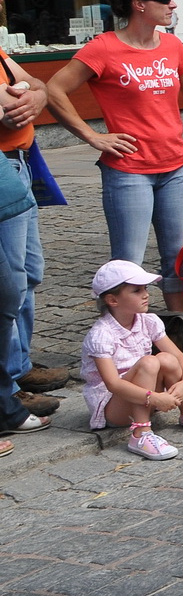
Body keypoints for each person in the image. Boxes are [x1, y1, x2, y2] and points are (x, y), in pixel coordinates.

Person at [45, 0, 183, 313]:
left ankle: (180, 333)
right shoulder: (104, 48)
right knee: (127, 265)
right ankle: (118, 345)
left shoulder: (173, 46)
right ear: (139, 4)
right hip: (128, 171)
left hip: (175, 168)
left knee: (178, 260)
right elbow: (55, 90)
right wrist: (92, 136)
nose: (173, 4)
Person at [82, 259, 183, 461]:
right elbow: (113, 384)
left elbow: (179, 357)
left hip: (148, 396)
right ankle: (140, 434)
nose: (146, 294)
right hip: (114, 406)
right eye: (136, 290)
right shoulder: (101, 335)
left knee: (166, 359)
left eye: (145, 288)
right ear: (112, 300)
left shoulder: (149, 321)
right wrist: (153, 398)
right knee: (149, 362)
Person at [0, 21, 57, 421]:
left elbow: (36, 81)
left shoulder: (0, 54)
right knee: (9, 285)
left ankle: (19, 368)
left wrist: (35, 97)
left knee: (28, 274)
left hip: (20, 165)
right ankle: (10, 388)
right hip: (3, 174)